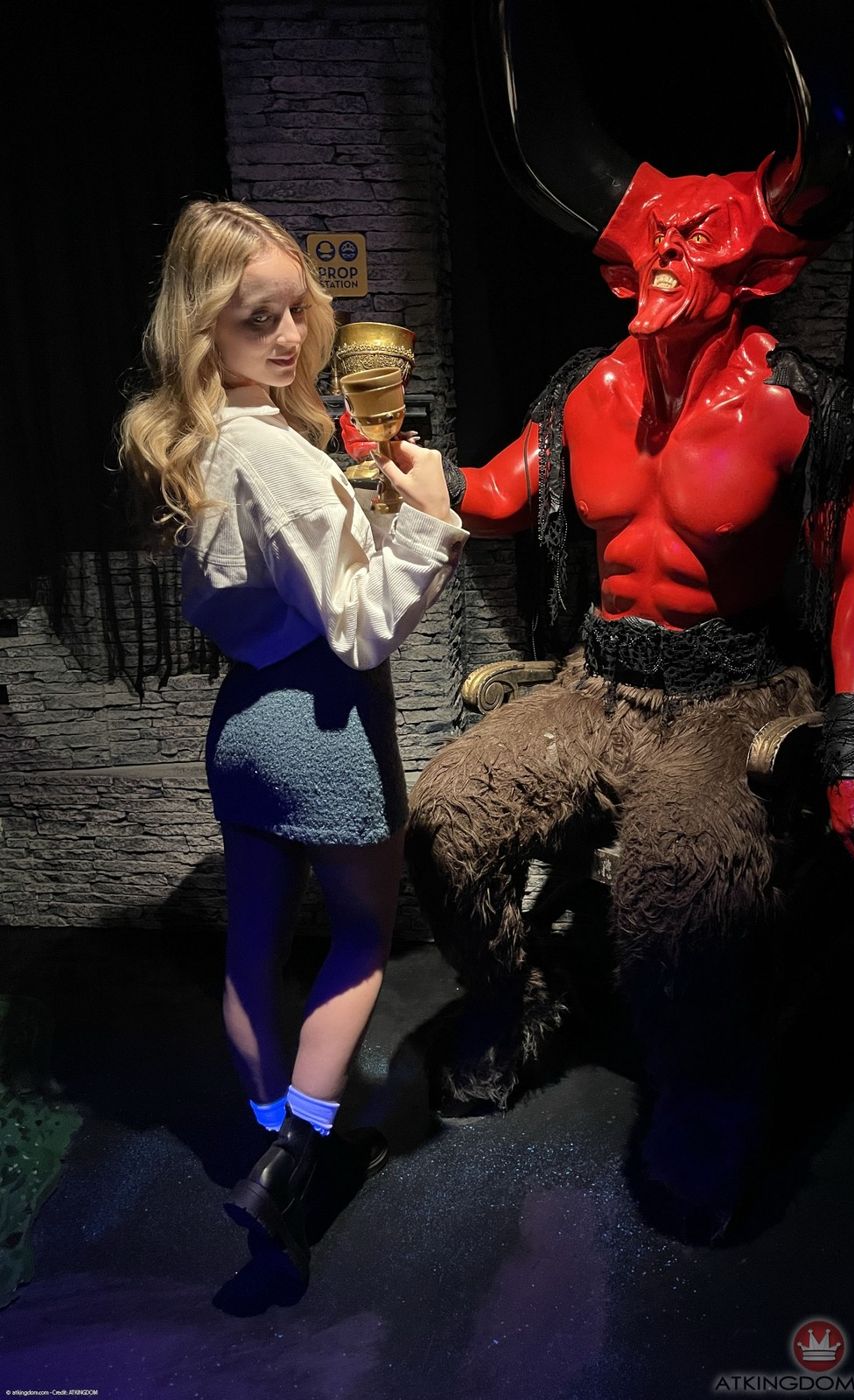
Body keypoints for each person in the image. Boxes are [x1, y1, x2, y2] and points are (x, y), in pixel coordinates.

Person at [344, 159, 854, 1237]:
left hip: (728, 693)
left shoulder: (805, 408)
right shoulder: (587, 390)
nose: (668, 254)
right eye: (656, 236)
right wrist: (420, 469)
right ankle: (512, 1007)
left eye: (697, 236)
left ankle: (704, 1112)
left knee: (681, 883)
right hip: (594, 681)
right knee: (446, 818)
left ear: (755, 266)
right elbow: (498, 494)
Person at [120, 199, 467, 1279]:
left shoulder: (208, 441)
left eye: (295, 309)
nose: (286, 335)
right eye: (253, 319)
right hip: (324, 720)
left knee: (251, 950)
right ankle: (296, 1158)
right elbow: (359, 627)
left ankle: (270, 1128)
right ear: (203, 332)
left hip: (244, 727)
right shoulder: (273, 455)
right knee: (360, 943)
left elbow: (286, 583)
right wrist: (428, 517)